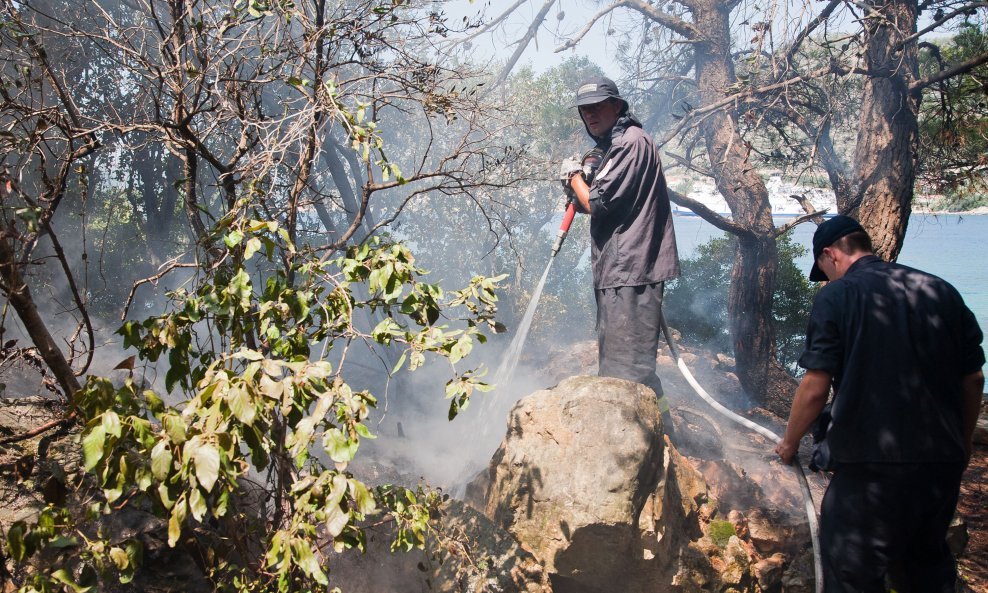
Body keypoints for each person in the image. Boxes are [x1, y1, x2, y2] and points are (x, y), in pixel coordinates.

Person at [775, 215, 985, 592]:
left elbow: (814, 385)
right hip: (940, 467)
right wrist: (963, 443)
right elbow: (973, 379)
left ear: (830, 255)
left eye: (822, 270)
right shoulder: (941, 290)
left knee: (851, 575)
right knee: (926, 569)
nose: (826, 279)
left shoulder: (836, 296)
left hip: (869, 469)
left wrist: (790, 443)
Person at [559, 77, 680, 421]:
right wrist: (580, 180)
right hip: (620, 269)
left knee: (625, 372)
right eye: (585, 109)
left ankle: (648, 441)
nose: (590, 114)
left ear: (617, 105)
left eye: (598, 106)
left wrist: (572, 176)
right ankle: (667, 429)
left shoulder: (630, 143)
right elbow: (589, 203)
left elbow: (595, 203)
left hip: (631, 269)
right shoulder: (615, 146)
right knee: (632, 365)